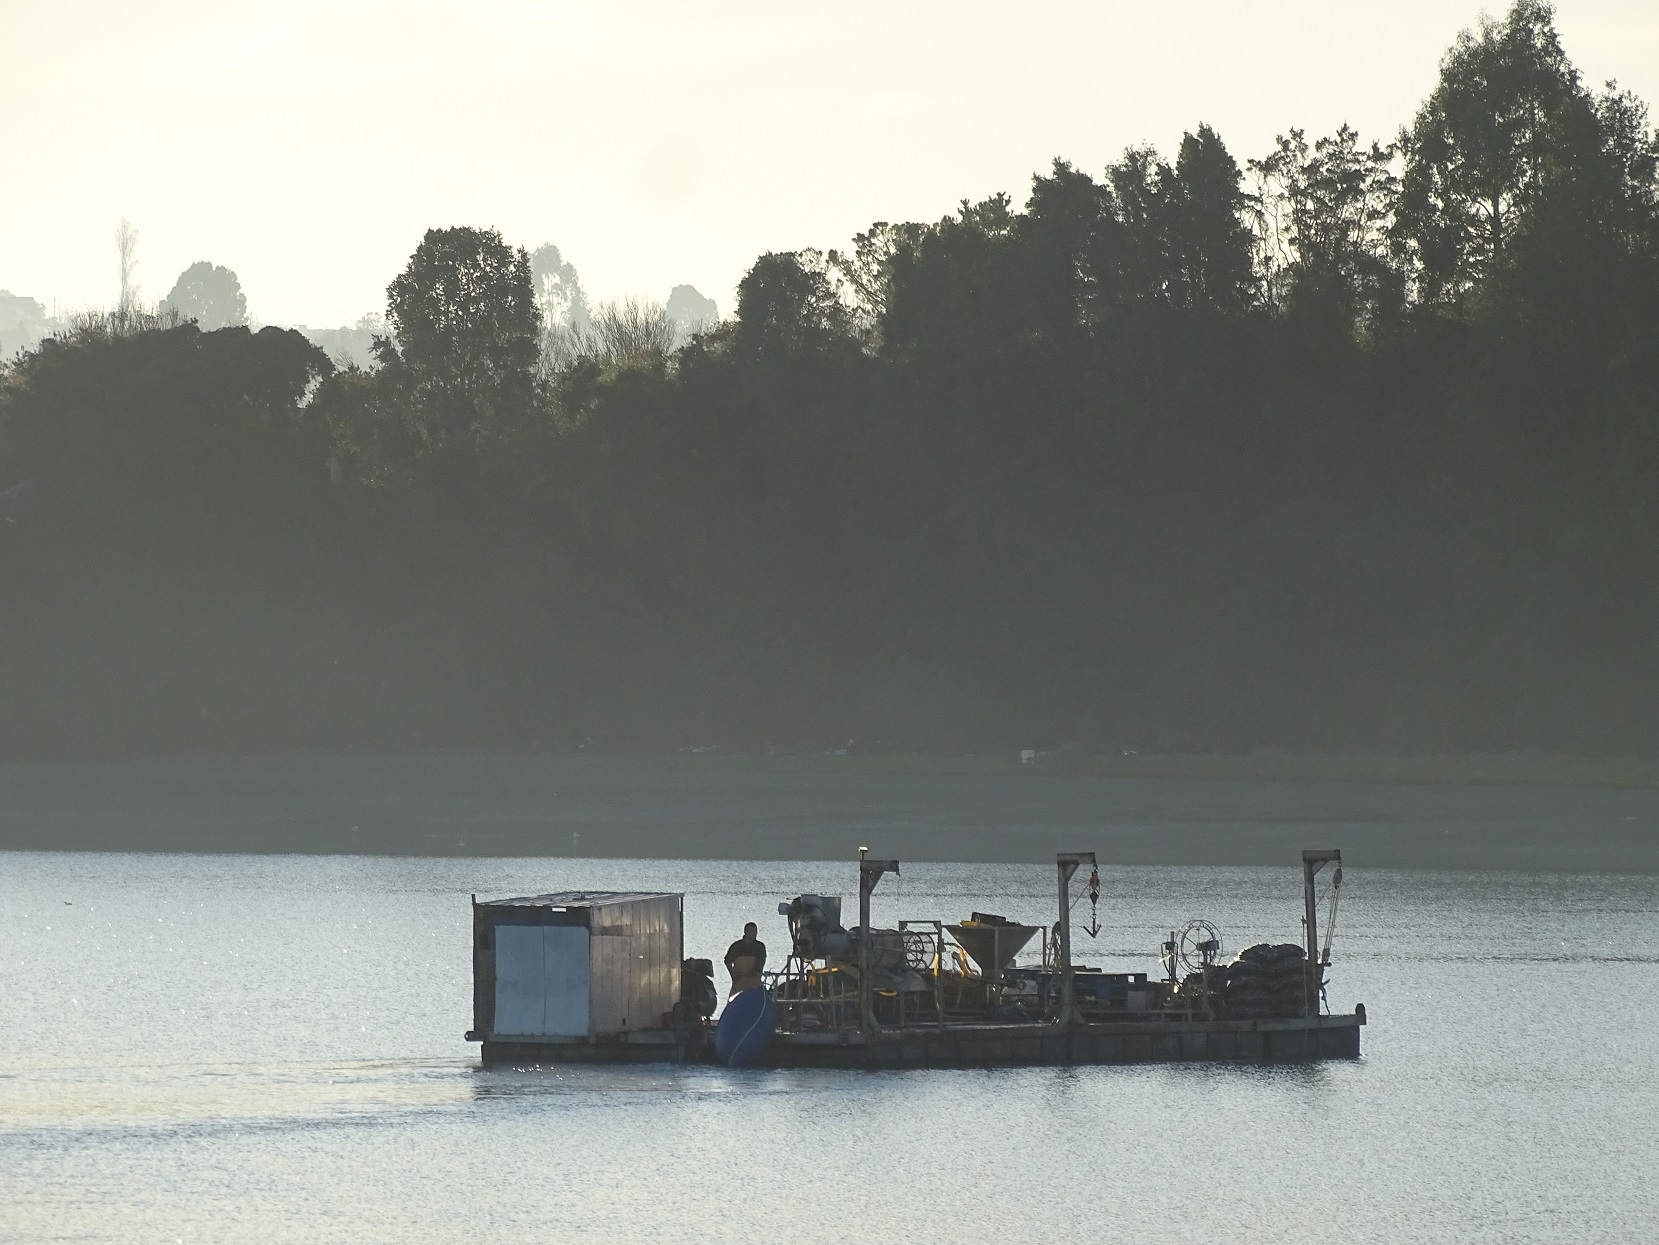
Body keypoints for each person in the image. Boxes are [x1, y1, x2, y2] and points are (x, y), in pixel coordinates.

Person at [724, 922, 767, 996]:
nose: (754, 934)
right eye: (751, 931)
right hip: (738, 980)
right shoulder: (736, 946)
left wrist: (755, 974)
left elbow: (761, 963)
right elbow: (727, 961)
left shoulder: (760, 947)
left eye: (755, 931)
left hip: (754, 980)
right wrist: (733, 976)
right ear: (745, 932)